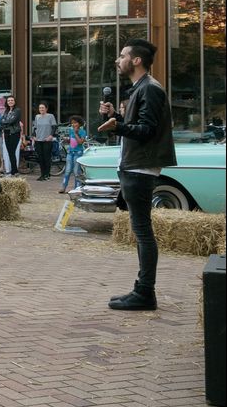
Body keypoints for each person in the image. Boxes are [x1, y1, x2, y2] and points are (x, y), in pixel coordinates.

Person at [98, 39, 177, 311]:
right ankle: (141, 289)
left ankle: (145, 293)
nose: (118, 60)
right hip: (135, 165)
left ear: (136, 61)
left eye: (122, 56)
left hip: (140, 168)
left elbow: (146, 130)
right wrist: (117, 120)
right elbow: (140, 127)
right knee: (140, 230)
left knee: (143, 232)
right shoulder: (141, 88)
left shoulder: (150, 89)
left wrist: (117, 127)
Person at [60, 116, 88, 194]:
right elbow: (72, 141)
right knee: (67, 171)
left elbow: (80, 142)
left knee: (76, 172)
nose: (73, 124)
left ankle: (77, 188)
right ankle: (63, 187)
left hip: (78, 153)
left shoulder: (82, 131)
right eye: (72, 123)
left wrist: (75, 133)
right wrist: (67, 139)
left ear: (79, 123)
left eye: (75, 123)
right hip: (70, 153)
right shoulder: (71, 130)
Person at [32, 103, 58, 182]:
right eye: (40, 108)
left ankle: (47, 174)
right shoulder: (37, 117)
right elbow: (35, 127)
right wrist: (34, 136)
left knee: (47, 158)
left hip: (47, 140)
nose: (41, 109)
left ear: (46, 108)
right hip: (38, 140)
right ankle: (42, 174)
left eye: (43, 108)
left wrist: (51, 136)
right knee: (40, 158)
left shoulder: (50, 116)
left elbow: (54, 127)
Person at [2, 96, 24, 176]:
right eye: (9, 100)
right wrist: (5, 122)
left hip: (15, 133)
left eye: (12, 100)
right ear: (7, 102)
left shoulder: (17, 110)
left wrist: (5, 122)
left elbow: (12, 121)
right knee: (9, 152)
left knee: (12, 152)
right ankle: (14, 170)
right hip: (6, 133)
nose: (10, 101)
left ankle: (14, 171)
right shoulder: (6, 111)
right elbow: (2, 120)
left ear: (14, 101)